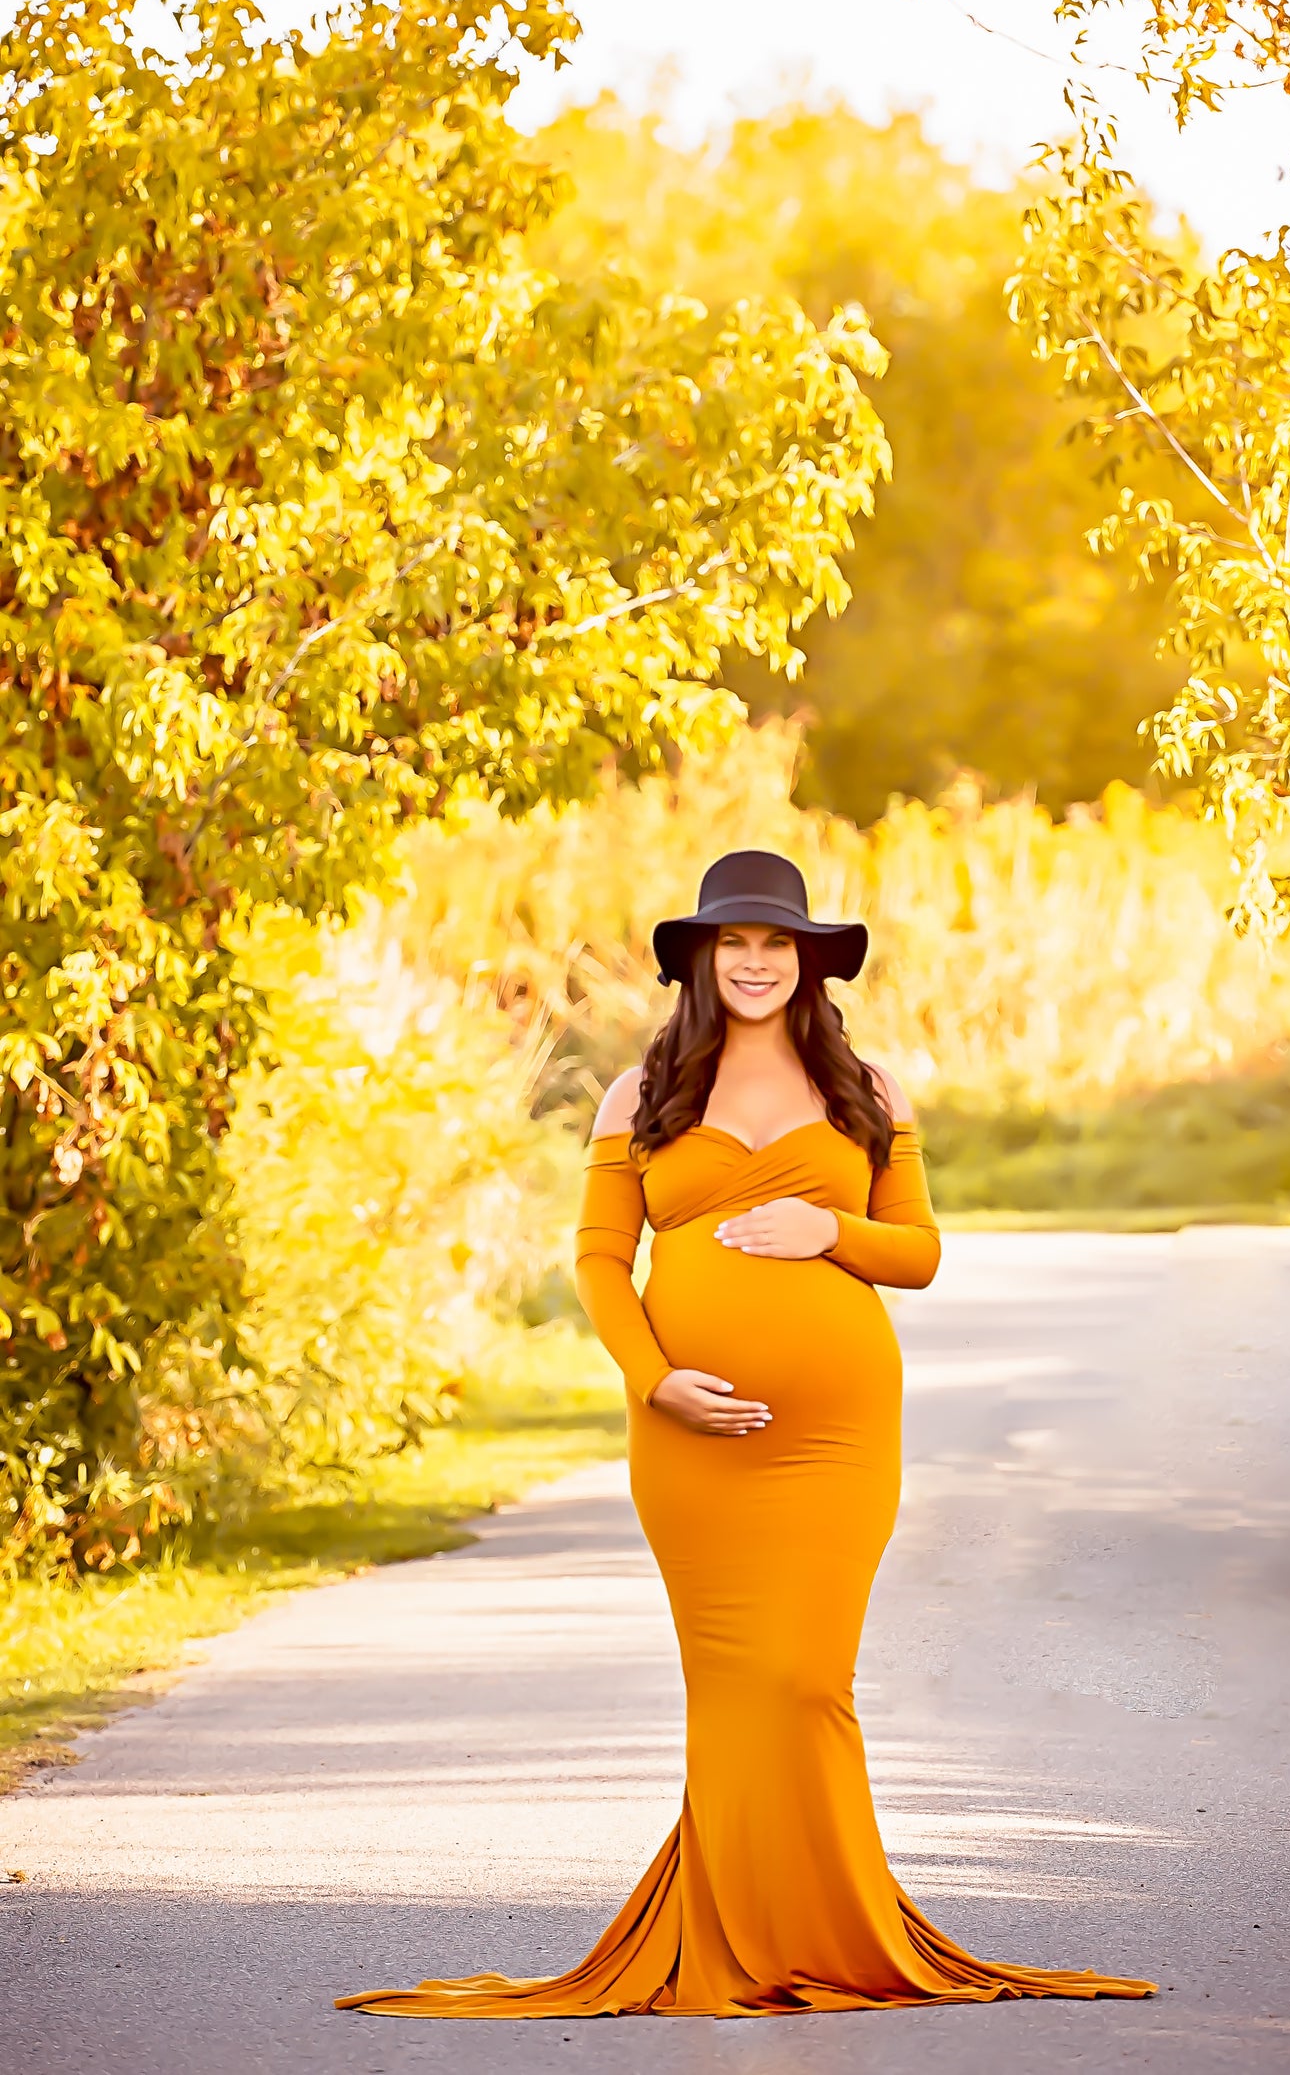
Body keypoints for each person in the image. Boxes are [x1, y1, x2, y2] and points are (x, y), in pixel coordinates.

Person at [338, 850, 1155, 2020]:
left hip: (837, 1434)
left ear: (810, 961)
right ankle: (741, 1938)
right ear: (701, 962)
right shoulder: (642, 1095)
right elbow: (598, 1259)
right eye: (735, 944)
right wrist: (652, 1379)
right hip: (689, 1439)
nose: (757, 962)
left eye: (778, 944)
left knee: (805, 1677)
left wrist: (827, 1227)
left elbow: (916, 1253)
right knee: (730, 1685)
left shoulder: (870, 1089)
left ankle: (823, 1932)